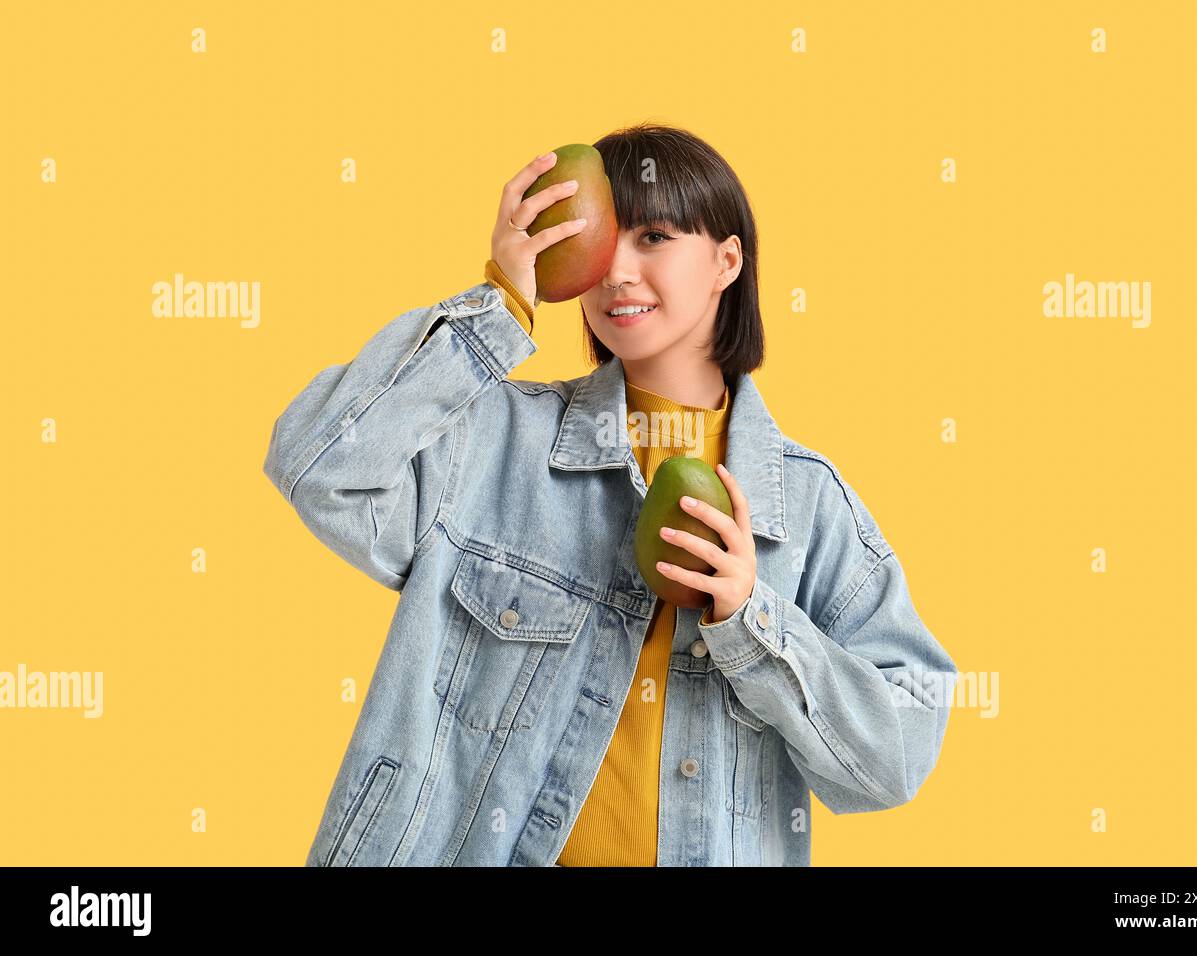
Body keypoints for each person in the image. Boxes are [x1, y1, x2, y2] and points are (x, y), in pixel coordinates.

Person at [262, 122, 958, 867]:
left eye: (654, 237)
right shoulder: (493, 439)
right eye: (600, 243)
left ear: (727, 260)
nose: (616, 272)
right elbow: (318, 465)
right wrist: (498, 306)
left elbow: (896, 759)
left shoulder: (809, 510)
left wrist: (753, 619)